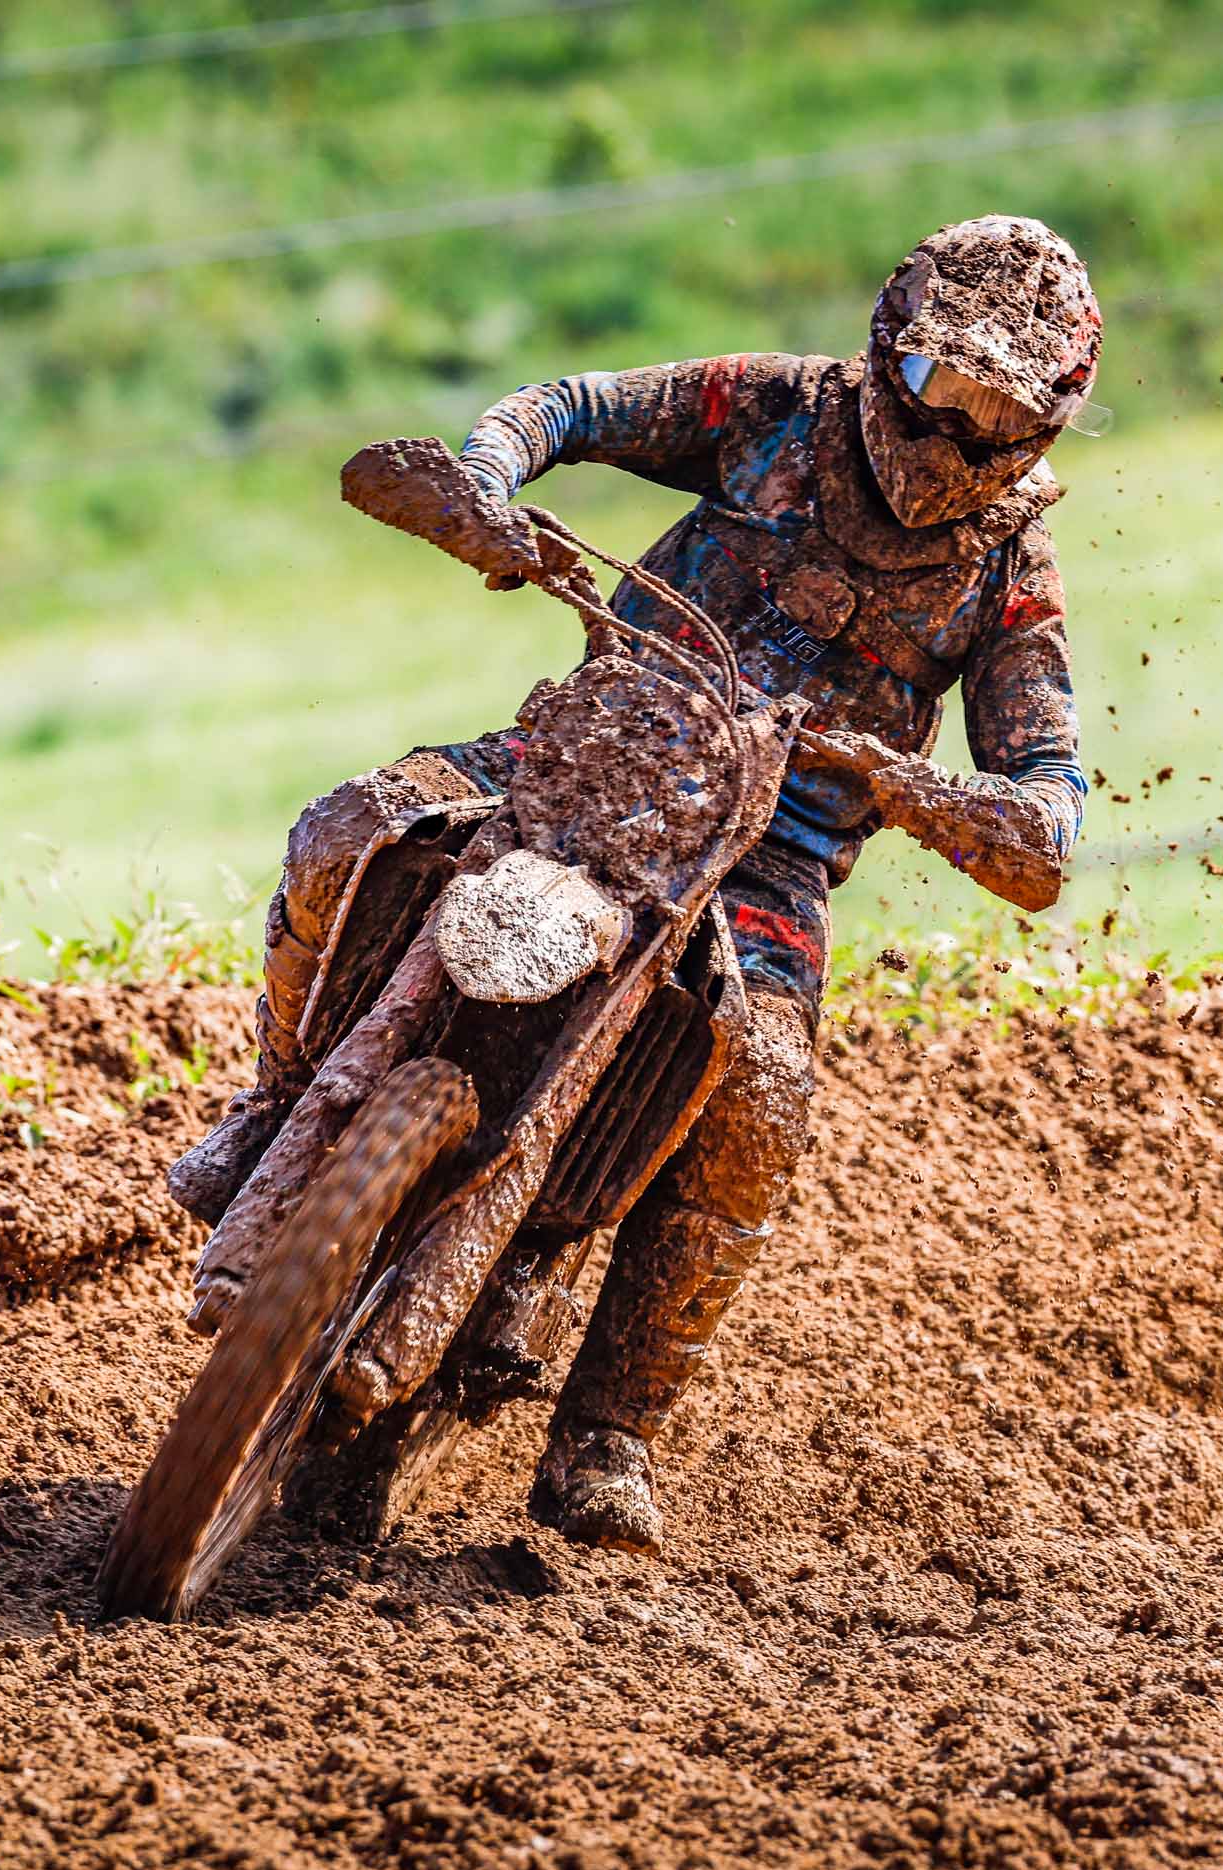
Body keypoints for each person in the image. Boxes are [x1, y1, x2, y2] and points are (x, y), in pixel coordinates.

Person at [171, 214, 1102, 1554]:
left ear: (1045, 422)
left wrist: (929, 791)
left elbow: (1050, 793)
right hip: (592, 738)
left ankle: (611, 1429)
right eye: (935, 385)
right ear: (887, 347)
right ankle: (272, 1101)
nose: (952, 432)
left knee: (763, 1096)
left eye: (994, 414)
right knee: (347, 830)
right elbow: (568, 407)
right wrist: (486, 487)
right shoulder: (774, 409)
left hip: (769, 853)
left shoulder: (1012, 574)